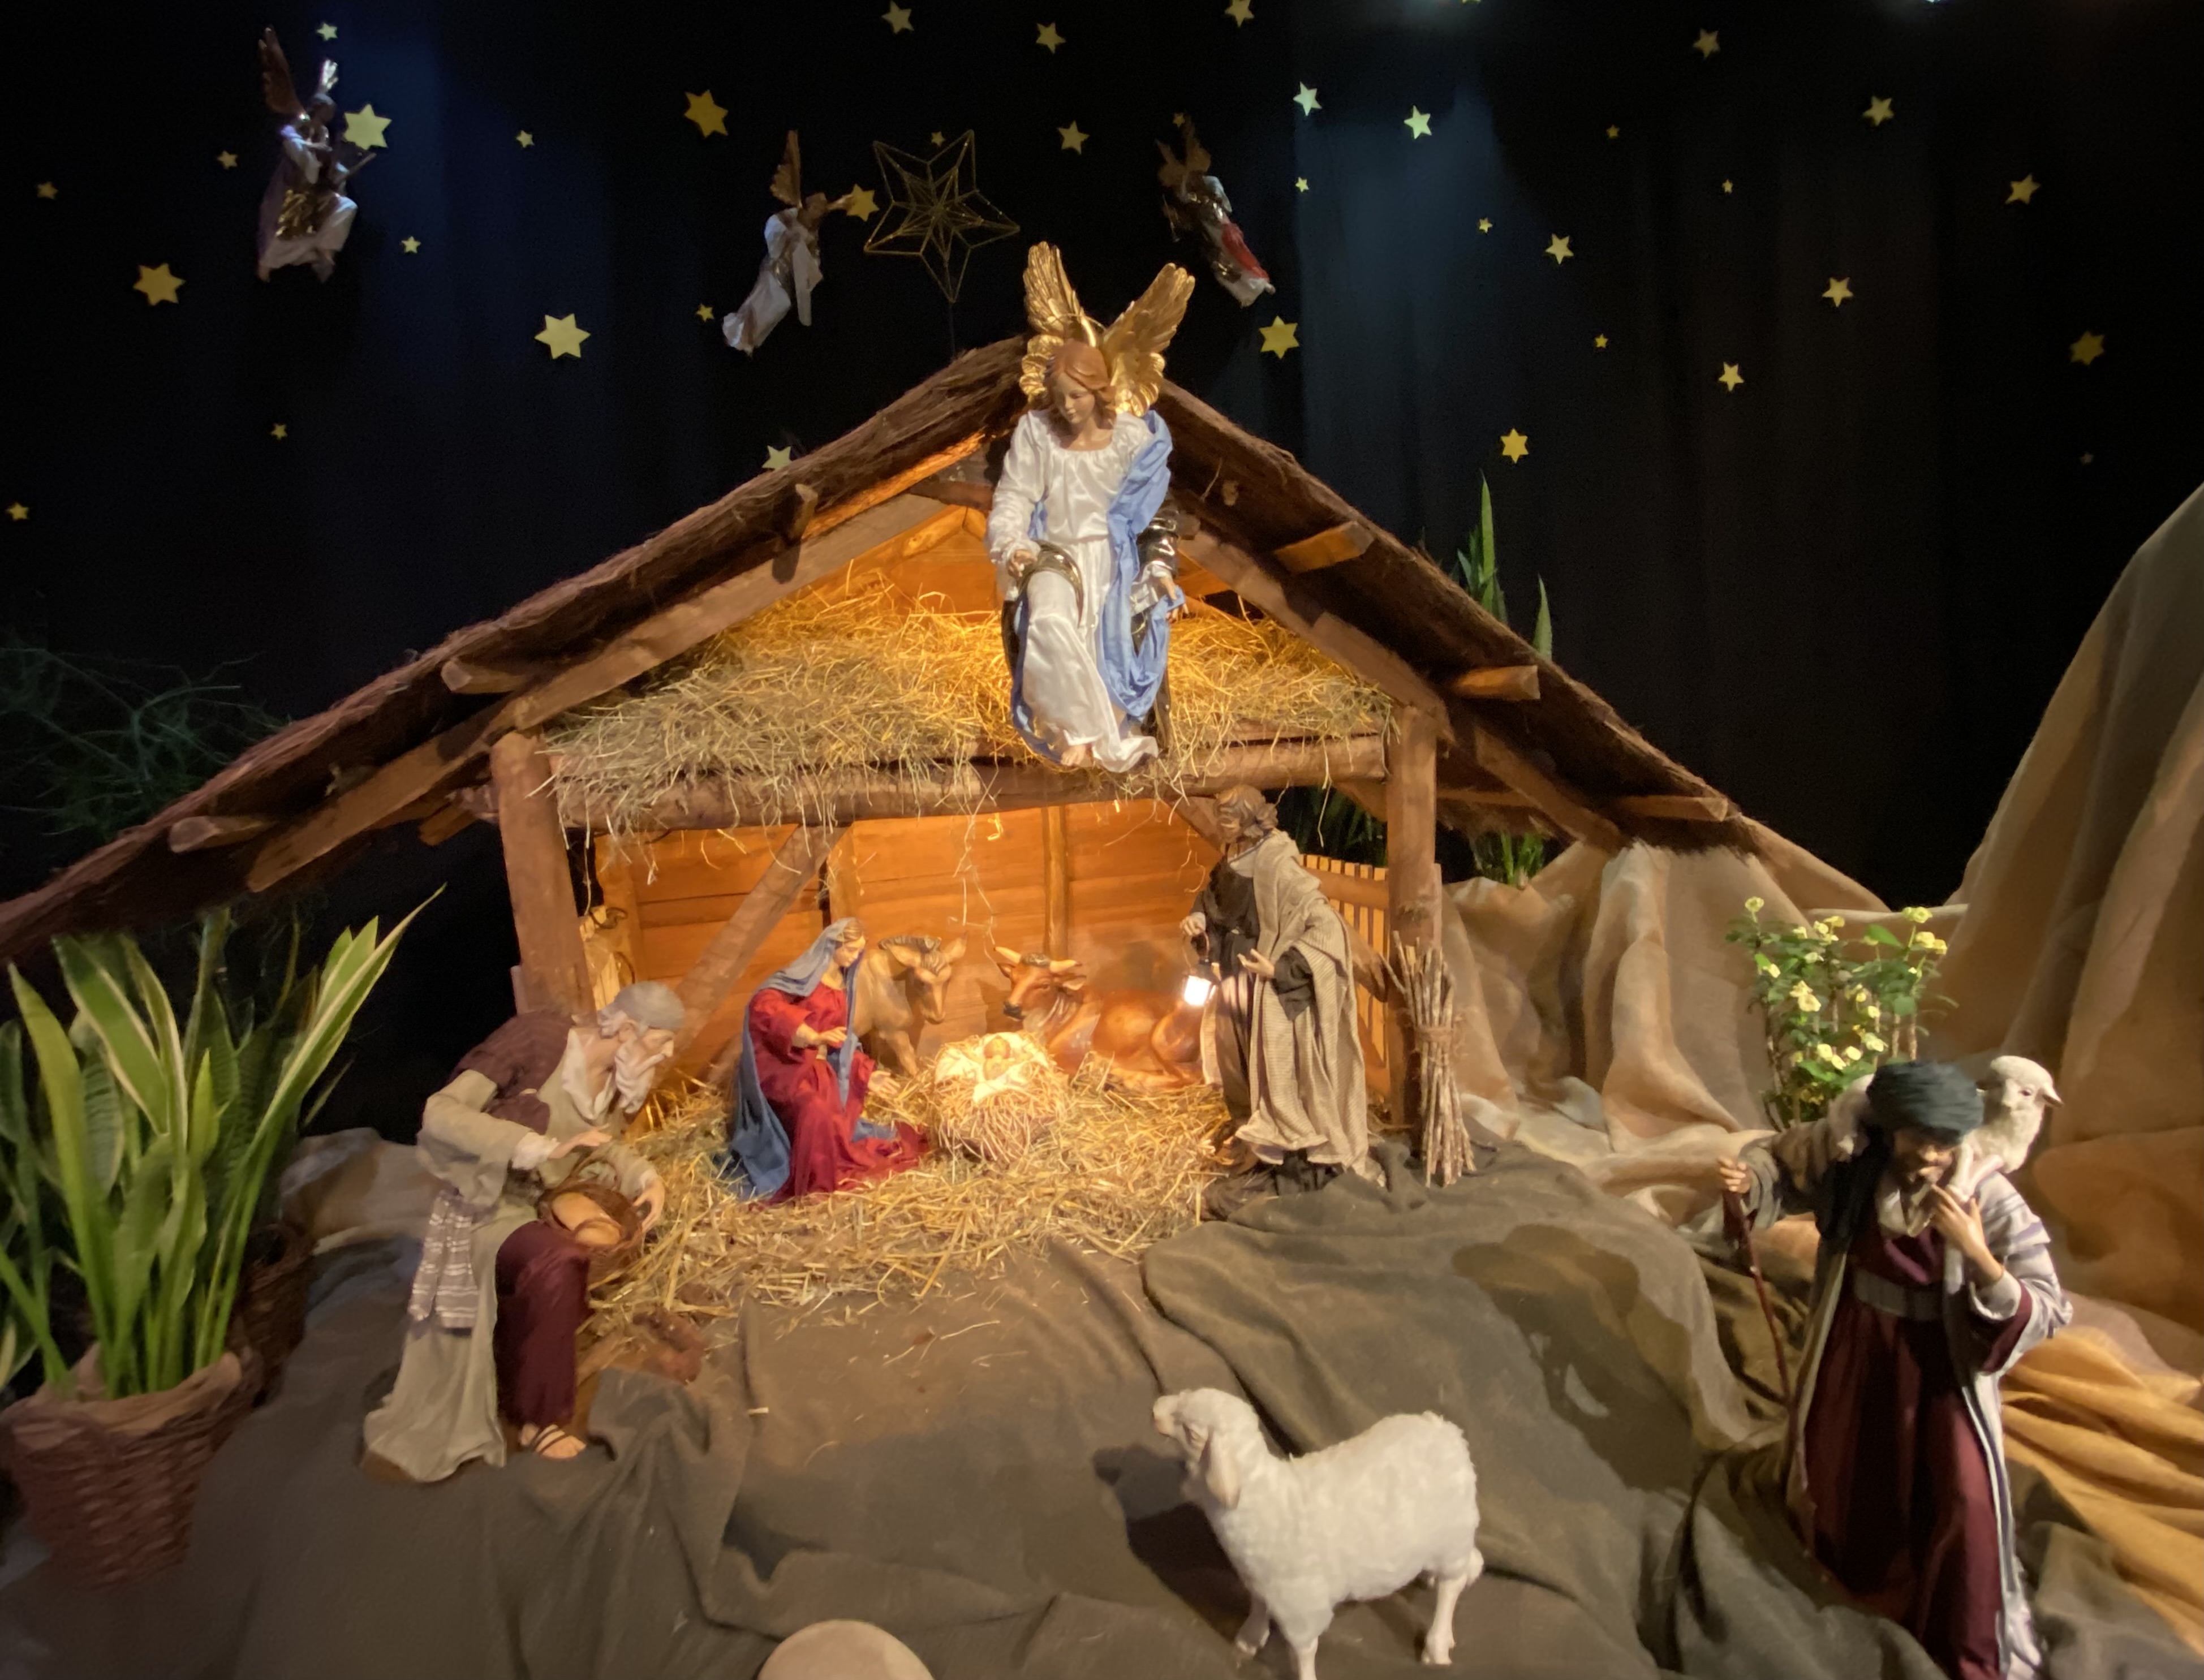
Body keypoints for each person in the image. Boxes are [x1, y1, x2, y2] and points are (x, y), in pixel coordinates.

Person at [1717, 1059, 2071, 1680]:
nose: (1930, 1157)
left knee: (1959, 1496)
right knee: (1848, 1469)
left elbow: (2047, 1305)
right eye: (1916, 1140)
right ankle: (1850, 1587)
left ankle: (1958, 1631)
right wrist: (1747, 1183)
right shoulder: (1855, 1165)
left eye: (1944, 1144)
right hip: (1856, 1347)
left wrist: (1978, 1255)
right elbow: (1783, 1164)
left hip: (1940, 1367)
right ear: (1891, 1130)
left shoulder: (1986, 1195)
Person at [362, 982, 685, 1476]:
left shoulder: (617, 1081)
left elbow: (600, 1145)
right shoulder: (538, 1040)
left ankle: (530, 1350)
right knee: (558, 1259)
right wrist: (538, 1147)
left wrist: (645, 1177)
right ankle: (541, 1417)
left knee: (580, 1252)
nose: (666, 1055)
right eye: (660, 1042)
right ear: (626, 1029)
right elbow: (442, 1113)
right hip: (487, 1207)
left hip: (542, 1207)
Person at [987, 244, 1193, 773]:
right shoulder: (1037, 433)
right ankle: (1072, 728)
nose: (1067, 406)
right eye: (1059, 395)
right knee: (1050, 619)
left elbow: (1155, 510)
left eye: (1077, 396)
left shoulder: (1130, 439)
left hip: (1114, 560)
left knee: (1115, 640)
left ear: (1099, 390)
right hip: (1054, 555)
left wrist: (1161, 568)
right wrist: (1011, 544)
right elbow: (1013, 494)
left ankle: (1107, 732)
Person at [1181, 787, 1370, 1207]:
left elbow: (1325, 926)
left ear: (1250, 819)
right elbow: (1213, 899)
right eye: (1220, 817)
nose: (1222, 825)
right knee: (1232, 1060)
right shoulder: (1232, 856)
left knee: (1267, 1064)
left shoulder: (1278, 862)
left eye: (1228, 818)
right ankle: (1250, 1139)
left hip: (1262, 983)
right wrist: (1198, 918)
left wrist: (1283, 968)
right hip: (1232, 973)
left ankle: (1279, 1153)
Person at [721, 919, 925, 1200]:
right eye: (851, 950)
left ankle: (822, 1172)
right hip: (787, 1066)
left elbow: (841, 1042)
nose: (855, 957)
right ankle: (813, 1183)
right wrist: (808, 1034)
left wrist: (865, 1074)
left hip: (819, 1070)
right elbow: (764, 1006)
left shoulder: (843, 987)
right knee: (813, 1110)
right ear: (832, 945)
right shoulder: (800, 979)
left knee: (830, 1117)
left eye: (859, 951)